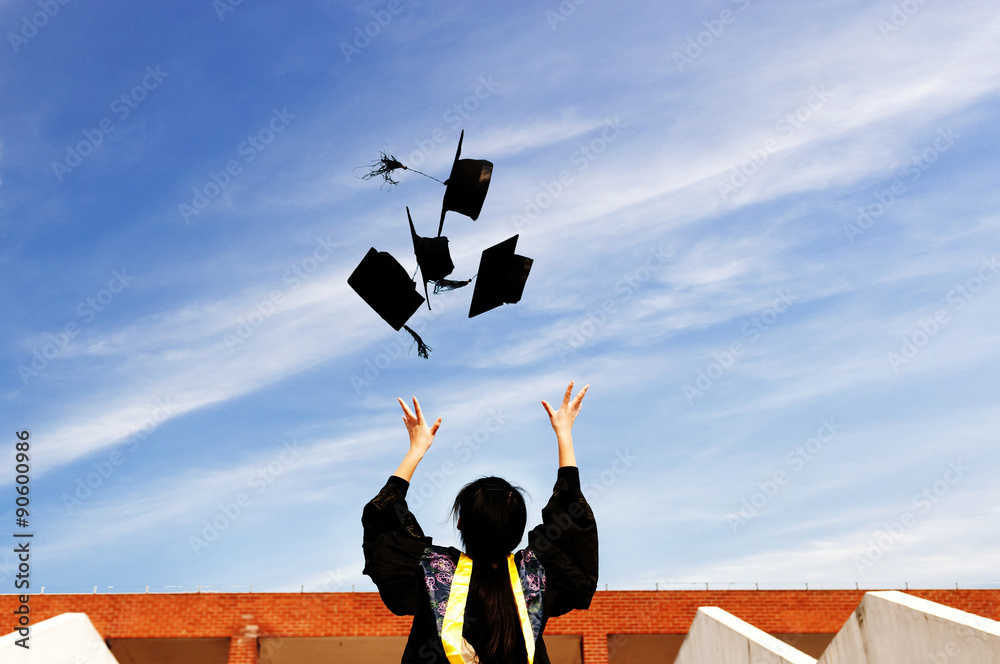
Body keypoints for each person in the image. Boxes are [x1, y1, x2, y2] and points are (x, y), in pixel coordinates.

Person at [362, 381, 599, 664]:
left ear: (460, 522)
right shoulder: (536, 576)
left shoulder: (430, 573)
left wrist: (416, 450)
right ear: (517, 530)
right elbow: (571, 521)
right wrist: (564, 434)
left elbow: (383, 523)